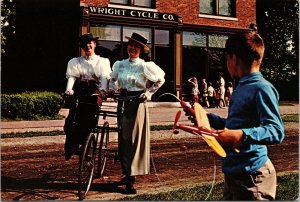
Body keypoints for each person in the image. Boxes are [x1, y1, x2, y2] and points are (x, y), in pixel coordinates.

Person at [207, 31, 285, 200]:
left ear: (233, 58)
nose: (226, 63)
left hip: (253, 177)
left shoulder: (261, 88)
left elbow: (276, 130)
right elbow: (238, 125)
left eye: (226, 58)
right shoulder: (242, 86)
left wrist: (241, 135)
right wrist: (208, 119)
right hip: (234, 173)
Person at [109, 32, 165, 194]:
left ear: (141, 49)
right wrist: (112, 90)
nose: (132, 48)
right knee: (123, 139)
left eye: (136, 46)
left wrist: (148, 93)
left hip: (138, 103)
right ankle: (127, 172)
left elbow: (161, 79)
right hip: (123, 102)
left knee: (134, 141)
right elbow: (112, 79)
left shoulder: (144, 66)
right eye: (130, 45)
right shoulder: (120, 64)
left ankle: (131, 178)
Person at [64, 33, 111, 161]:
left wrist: (103, 90)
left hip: (94, 93)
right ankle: (71, 144)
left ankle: (85, 143)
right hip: (79, 92)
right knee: (72, 118)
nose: (88, 46)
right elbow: (72, 77)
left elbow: (104, 78)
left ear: (94, 44)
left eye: (90, 43)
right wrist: (69, 89)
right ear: (82, 47)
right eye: (85, 44)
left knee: (89, 118)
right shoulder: (75, 62)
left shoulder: (102, 62)